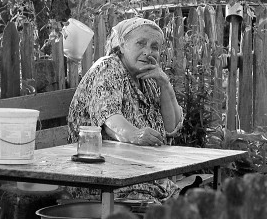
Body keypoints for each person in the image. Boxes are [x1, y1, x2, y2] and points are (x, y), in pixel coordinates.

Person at [67, 16, 184, 203]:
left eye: (154, 47)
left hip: (138, 175)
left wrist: (164, 84)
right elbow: (110, 120)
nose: (148, 52)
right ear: (122, 45)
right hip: (104, 180)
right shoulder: (108, 68)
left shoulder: (147, 77)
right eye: (141, 43)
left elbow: (172, 127)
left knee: (193, 207)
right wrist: (135, 135)